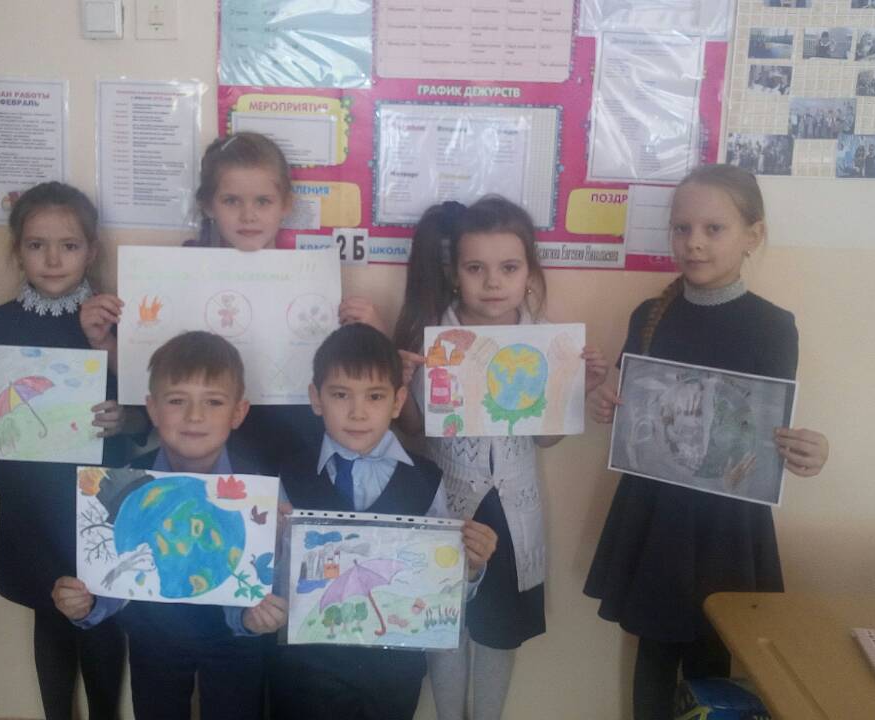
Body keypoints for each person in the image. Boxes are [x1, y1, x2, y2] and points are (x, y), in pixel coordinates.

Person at [582, 164, 831, 720]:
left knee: (712, 655)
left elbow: (769, 426)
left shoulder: (773, 327)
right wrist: (604, 406)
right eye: (682, 228)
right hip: (655, 512)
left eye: (713, 229)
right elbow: (631, 410)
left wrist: (810, 452)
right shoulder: (649, 315)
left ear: (753, 235)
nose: (694, 242)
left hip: (727, 521)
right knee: (653, 648)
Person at [0, 182, 140, 720]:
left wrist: (124, 417)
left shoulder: (113, 319)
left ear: (91, 251)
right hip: (29, 498)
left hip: (96, 500)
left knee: (101, 616)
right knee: (50, 614)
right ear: (18, 249)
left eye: (69, 245)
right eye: (36, 244)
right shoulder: (0, 321)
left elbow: (148, 406)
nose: (52, 259)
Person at [390, 197, 608, 720]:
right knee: (443, 625)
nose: (493, 282)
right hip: (448, 506)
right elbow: (415, 431)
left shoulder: (546, 340)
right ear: (455, 273)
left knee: (498, 634)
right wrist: (401, 385)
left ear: (529, 273)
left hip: (512, 512)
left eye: (509, 268)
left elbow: (545, 440)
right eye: (476, 268)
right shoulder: (434, 337)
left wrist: (576, 390)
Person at [79, 131, 382, 474]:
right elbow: (151, 373)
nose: (248, 215)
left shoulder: (312, 283)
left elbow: (346, 381)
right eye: (232, 201)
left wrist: (372, 334)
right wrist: (104, 343)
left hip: (294, 449)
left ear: (286, 205)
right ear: (209, 205)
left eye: (263, 201)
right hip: (202, 454)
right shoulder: (175, 273)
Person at [266, 323, 499, 720]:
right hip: (305, 674)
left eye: (374, 396)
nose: (358, 412)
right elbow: (273, 583)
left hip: (393, 678)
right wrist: (271, 546)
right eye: (340, 395)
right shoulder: (288, 476)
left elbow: (440, 584)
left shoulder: (426, 480)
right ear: (316, 399)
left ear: (397, 401)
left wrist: (472, 566)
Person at [52, 331, 287, 720]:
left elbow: (272, 572)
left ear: (238, 412)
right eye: (177, 400)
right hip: (153, 639)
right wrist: (85, 604)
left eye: (213, 402)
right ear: (153, 409)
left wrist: (259, 616)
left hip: (236, 640)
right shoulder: (123, 485)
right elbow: (113, 566)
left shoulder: (263, 490)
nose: (195, 416)